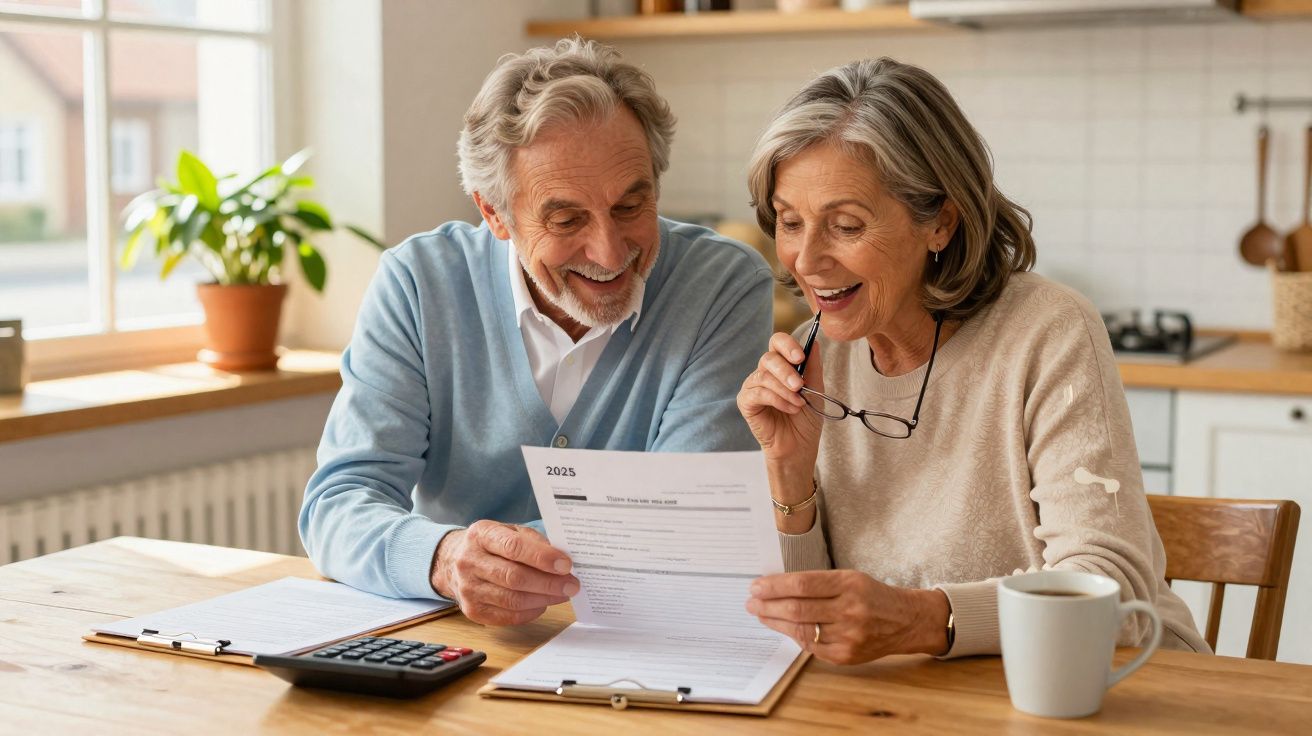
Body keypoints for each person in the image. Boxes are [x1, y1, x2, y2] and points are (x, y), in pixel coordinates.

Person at [736, 57, 1209, 664]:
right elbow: (812, 626)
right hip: (919, 701)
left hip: (1108, 684)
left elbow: (1111, 594)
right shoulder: (813, 357)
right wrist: (787, 469)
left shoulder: (1048, 331)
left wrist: (921, 619)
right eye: (790, 222)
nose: (806, 260)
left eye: (846, 225)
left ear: (941, 222)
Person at [300, 38, 773, 626]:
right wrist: (446, 559)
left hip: (642, 640)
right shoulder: (419, 283)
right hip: (457, 642)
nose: (609, 250)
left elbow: (678, 521)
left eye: (631, 207)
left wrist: (503, 560)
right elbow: (339, 504)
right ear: (494, 213)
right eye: (566, 218)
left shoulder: (722, 284)